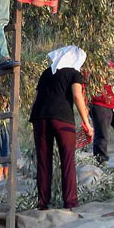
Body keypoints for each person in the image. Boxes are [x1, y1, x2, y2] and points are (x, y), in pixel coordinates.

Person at [29, 45, 89, 210]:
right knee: (67, 160)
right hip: (62, 119)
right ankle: (70, 202)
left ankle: (43, 203)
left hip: (40, 117)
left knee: (43, 161)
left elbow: (36, 99)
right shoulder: (74, 73)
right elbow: (77, 95)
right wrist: (87, 123)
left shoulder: (47, 73)